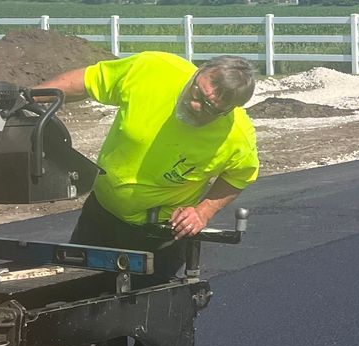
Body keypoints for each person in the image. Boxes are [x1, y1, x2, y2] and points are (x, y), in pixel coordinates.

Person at [36, 52, 260, 251]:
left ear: (228, 110)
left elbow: (240, 176)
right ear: (199, 71)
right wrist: (25, 98)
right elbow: (88, 81)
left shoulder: (236, 137)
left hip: (161, 233)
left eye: (208, 106)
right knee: (76, 289)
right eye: (196, 91)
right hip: (100, 212)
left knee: (142, 297)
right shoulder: (153, 70)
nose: (194, 104)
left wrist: (203, 212)